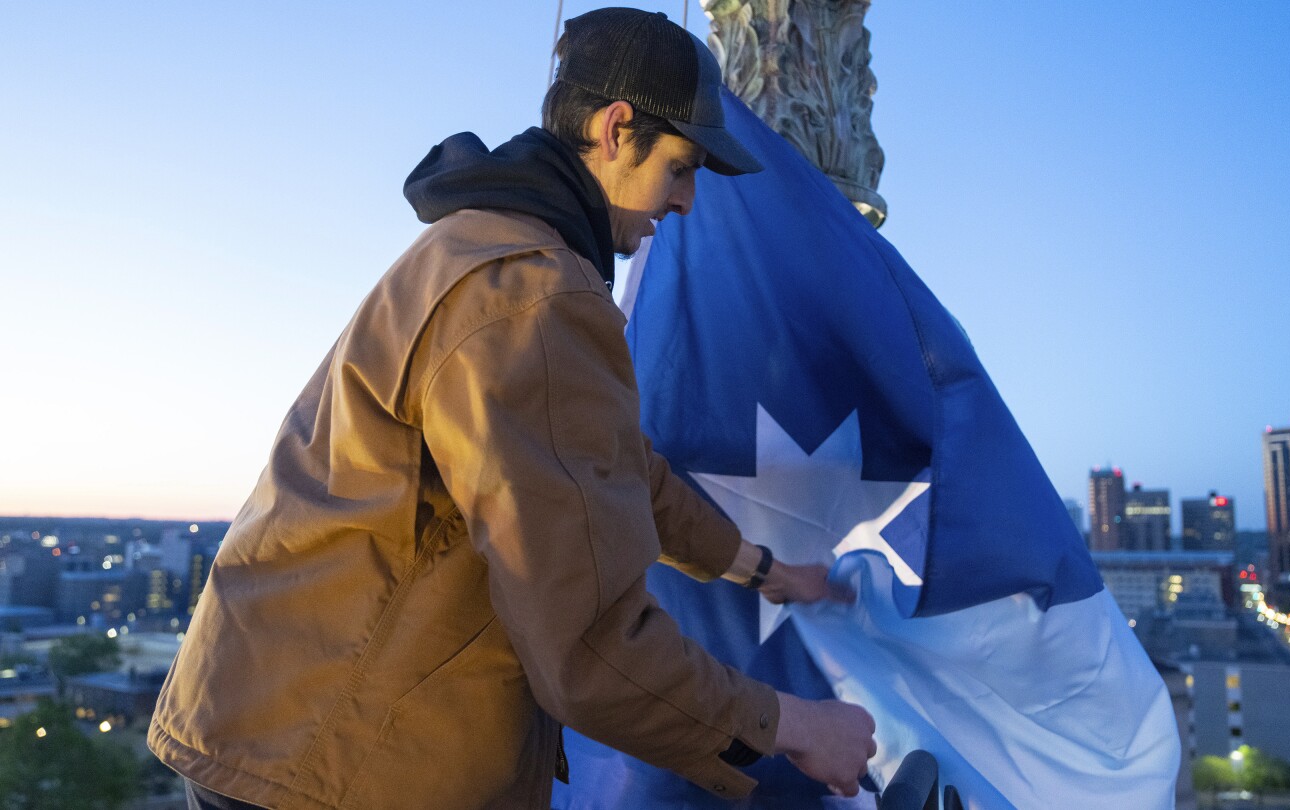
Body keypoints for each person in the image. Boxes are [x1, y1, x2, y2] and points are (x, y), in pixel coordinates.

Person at [148, 8, 876, 809]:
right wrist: (797, 725)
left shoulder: (484, 246)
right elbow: (591, 650)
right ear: (615, 128)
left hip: (277, 728)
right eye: (681, 167)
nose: (688, 201)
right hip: (338, 762)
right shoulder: (537, 298)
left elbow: (616, 470)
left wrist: (765, 571)